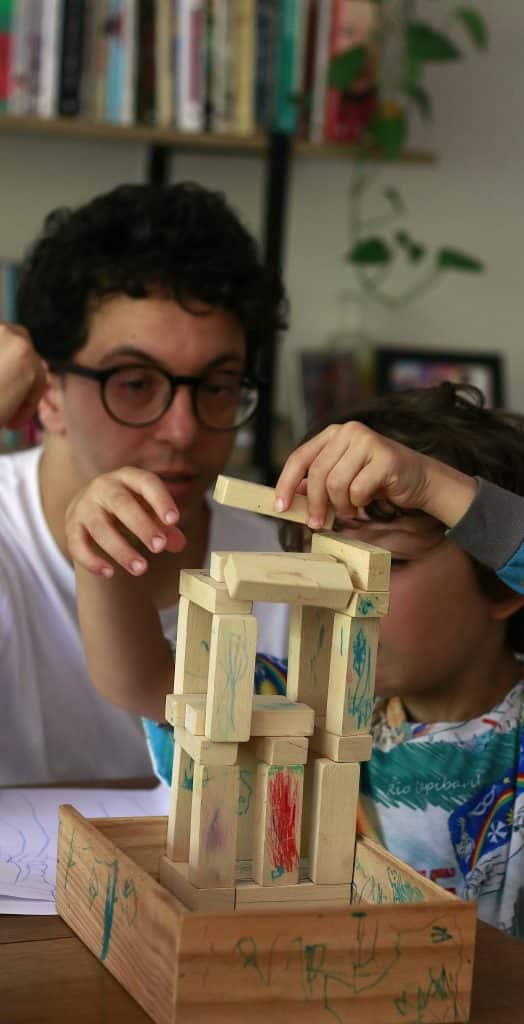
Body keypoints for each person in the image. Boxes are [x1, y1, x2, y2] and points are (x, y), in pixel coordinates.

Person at [68, 380, 524, 992]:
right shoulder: (311, 707)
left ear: (503, 584)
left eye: (386, 564)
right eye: (325, 561)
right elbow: (139, 678)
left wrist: (434, 487)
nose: (344, 591)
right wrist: (98, 552)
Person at [0, 181, 290, 787]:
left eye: (216, 386)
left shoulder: (282, 574)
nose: (182, 431)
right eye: (135, 383)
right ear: (48, 391)